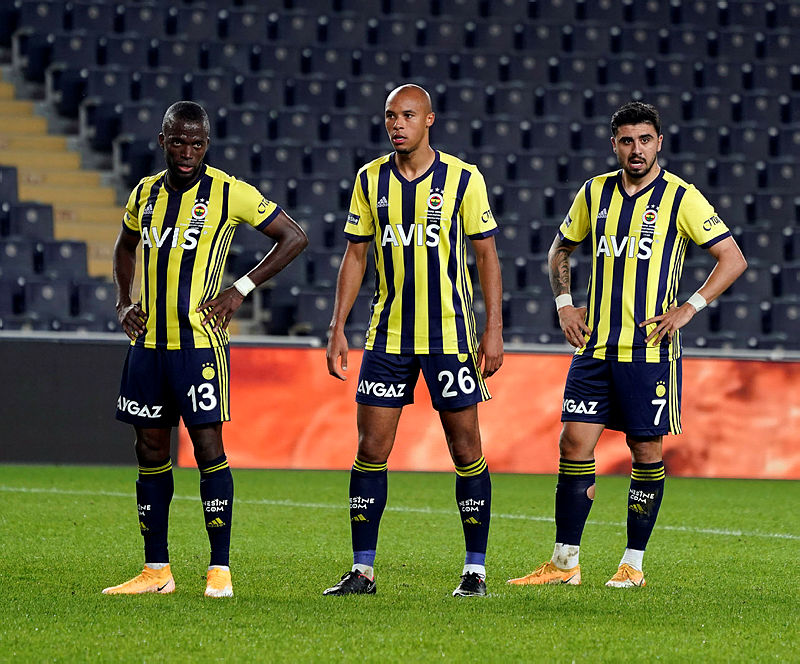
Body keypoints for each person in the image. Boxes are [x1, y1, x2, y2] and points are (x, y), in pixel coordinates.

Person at [508, 101, 747, 589]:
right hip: (595, 349)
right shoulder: (594, 192)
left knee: (644, 450)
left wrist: (689, 308)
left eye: (644, 140)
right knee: (573, 443)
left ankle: (632, 564)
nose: (636, 149)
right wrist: (564, 304)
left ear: (659, 142)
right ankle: (565, 564)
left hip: (649, 352)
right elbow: (560, 248)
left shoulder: (681, 197)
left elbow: (732, 258)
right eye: (626, 140)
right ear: (614, 144)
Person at [103, 101, 307, 598]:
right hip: (148, 345)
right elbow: (125, 246)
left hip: (199, 347)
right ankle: (156, 570)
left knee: (208, 448)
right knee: (149, 450)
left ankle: (220, 569)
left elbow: (293, 237)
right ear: (162, 140)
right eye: (178, 141)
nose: (187, 151)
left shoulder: (229, 191)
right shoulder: (144, 193)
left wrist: (240, 289)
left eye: (196, 143)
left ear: (207, 145)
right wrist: (123, 302)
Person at [323, 84, 504, 598]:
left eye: (407, 115)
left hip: (450, 336)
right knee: (370, 449)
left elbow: (486, 255)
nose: (397, 124)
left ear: (429, 120)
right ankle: (362, 570)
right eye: (390, 116)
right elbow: (356, 255)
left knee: (466, 449)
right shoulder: (370, 179)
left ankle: (475, 571)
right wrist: (337, 326)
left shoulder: (463, 179)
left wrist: (493, 328)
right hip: (387, 338)